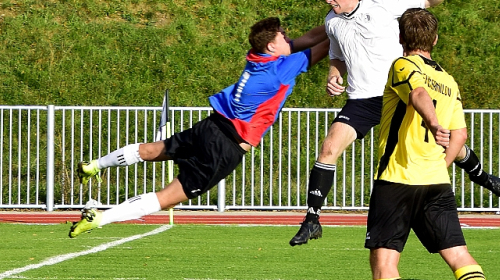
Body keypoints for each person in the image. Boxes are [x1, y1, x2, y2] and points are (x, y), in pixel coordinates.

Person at [289, 0, 500, 247]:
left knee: (442, 143)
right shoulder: (332, 22)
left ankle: (481, 175)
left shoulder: (383, 3)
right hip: (361, 100)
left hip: (396, 96)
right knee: (329, 148)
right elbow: (337, 57)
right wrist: (334, 75)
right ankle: (312, 221)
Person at [68, 17, 329, 237]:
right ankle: (100, 218)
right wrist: (352, 18)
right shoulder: (282, 69)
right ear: (272, 45)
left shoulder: (257, 57)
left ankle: (94, 165)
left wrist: (336, 18)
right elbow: (325, 44)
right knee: (167, 196)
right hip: (225, 146)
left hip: (210, 126)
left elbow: (309, 38)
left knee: (152, 150)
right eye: (284, 36)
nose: (289, 38)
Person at [357, 8, 500, 280]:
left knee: (384, 261)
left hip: (397, 180)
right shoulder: (449, 80)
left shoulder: (403, 65)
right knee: (459, 255)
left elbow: (417, 95)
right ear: (436, 40)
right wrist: (440, 164)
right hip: (435, 183)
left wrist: (430, 121)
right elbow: (460, 134)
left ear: (402, 39)